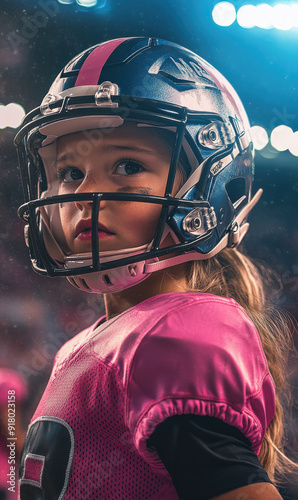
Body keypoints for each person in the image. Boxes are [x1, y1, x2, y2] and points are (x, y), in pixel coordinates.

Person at [14, 37, 295, 499]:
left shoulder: (178, 333)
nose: (85, 192)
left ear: (208, 185)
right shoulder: (95, 341)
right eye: (69, 172)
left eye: (126, 164)